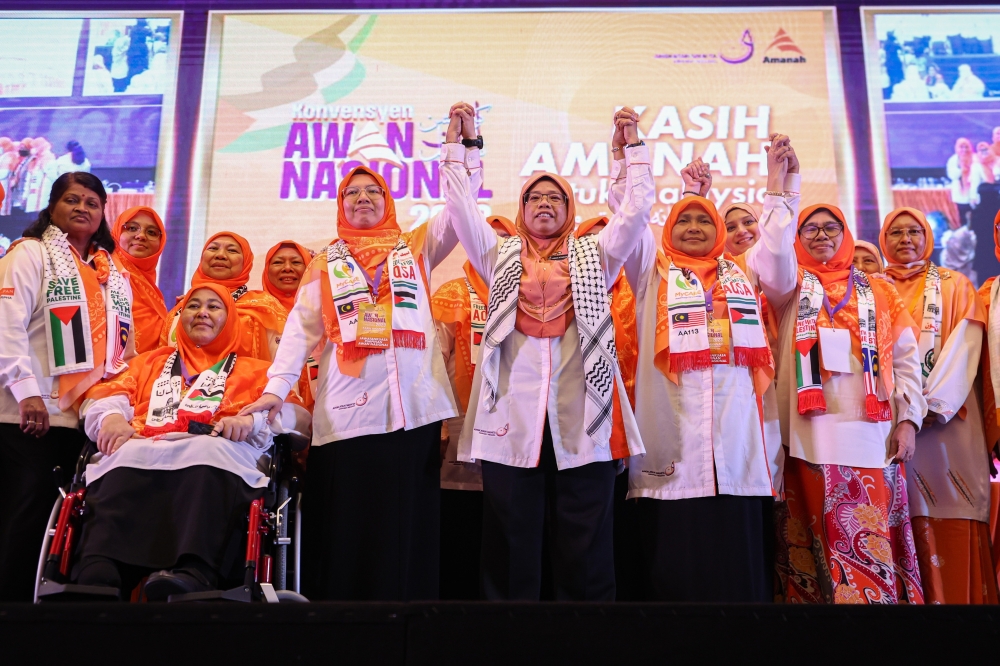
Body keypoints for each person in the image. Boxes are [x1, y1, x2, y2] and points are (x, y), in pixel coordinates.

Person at [238, 118, 484, 600]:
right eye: (353, 193)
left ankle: (410, 622)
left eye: (373, 191)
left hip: (413, 412)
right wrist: (275, 389)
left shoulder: (416, 246)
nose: (364, 199)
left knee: (406, 526)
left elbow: (460, 209)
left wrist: (463, 148)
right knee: (352, 528)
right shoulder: (324, 262)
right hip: (348, 415)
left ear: (388, 201)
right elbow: (299, 331)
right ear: (342, 206)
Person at [443, 105, 651, 601]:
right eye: (533, 197)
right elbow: (460, 210)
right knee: (510, 545)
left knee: (586, 546)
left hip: (584, 418)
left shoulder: (596, 254)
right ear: (521, 208)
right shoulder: (498, 255)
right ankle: (509, 644)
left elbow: (636, 212)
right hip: (513, 417)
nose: (543, 204)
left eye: (554, 197)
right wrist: (463, 147)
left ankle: (587, 642)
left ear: (569, 208)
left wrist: (632, 150)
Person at [618, 135, 798, 602]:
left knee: (737, 579)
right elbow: (630, 223)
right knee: (671, 574)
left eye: (704, 220)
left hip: (734, 443)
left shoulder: (743, 273)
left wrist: (779, 186)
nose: (694, 227)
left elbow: (778, 258)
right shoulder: (650, 271)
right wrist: (634, 155)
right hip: (673, 445)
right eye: (685, 220)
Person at [73, 283, 308, 600]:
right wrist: (110, 418)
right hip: (146, 442)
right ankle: (101, 565)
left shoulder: (260, 371)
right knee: (122, 454)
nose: (202, 313)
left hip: (215, 447)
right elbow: (103, 399)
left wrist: (250, 421)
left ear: (231, 319)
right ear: (180, 316)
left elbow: (298, 418)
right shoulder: (147, 363)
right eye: (194, 306)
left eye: (214, 307)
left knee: (206, 453)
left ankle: (195, 570)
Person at [775, 204, 927, 605]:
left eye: (831, 227)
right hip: (805, 435)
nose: (821, 235)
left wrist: (909, 420)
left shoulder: (880, 289)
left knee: (868, 540)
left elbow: (909, 361)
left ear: (845, 234)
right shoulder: (788, 284)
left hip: (870, 434)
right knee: (810, 547)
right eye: (810, 229)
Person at [0, 172, 135, 601]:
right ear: (52, 208)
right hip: (26, 412)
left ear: (102, 216)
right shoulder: (29, 254)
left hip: (83, 420)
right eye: (71, 200)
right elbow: (6, 326)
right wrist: (27, 391)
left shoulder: (112, 273)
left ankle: (39, 608)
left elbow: (124, 352)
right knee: (23, 513)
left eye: (92, 202)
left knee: (59, 521)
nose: (82, 208)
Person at [879, 207, 997, 604]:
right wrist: (903, 412)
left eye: (914, 231)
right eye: (896, 232)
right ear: (884, 239)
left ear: (929, 237)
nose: (906, 239)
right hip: (886, 423)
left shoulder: (955, 284)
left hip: (947, 424)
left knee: (952, 511)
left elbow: (965, 346)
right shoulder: (871, 287)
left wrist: (930, 407)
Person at [432, 214, 517, 600]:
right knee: (459, 536)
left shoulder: (532, 292)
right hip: (457, 434)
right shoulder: (449, 294)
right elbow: (432, 367)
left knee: (507, 538)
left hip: (515, 438)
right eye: (489, 240)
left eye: (505, 241)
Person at [159, 232, 286, 362]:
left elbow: (285, 368)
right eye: (213, 248)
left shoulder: (265, 307)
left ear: (246, 262)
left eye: (232, 250)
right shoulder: (180, 309)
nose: (220, 255)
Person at [112, 206, 167, 354]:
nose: (141, 235)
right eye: (132, 228)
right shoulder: (101, 273)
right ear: (117, 232)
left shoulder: (152, 290)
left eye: (151, 232)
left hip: (149, 372)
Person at [262, 240, 312, 314]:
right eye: (278, 262)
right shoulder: (251, 309)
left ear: (308, 267)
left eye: (296, 262)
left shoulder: (325, 309)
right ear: (267, 270)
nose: (287, 268)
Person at [948, 138, 977, 223]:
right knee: (963, 217)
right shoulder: (953, 160)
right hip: (961, 195)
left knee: (976, 217)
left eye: (966, 147)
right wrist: (962, 169)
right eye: (961, 147)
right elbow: (952, 175)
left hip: (974, 194)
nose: (964, 150)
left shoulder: (975, 158)